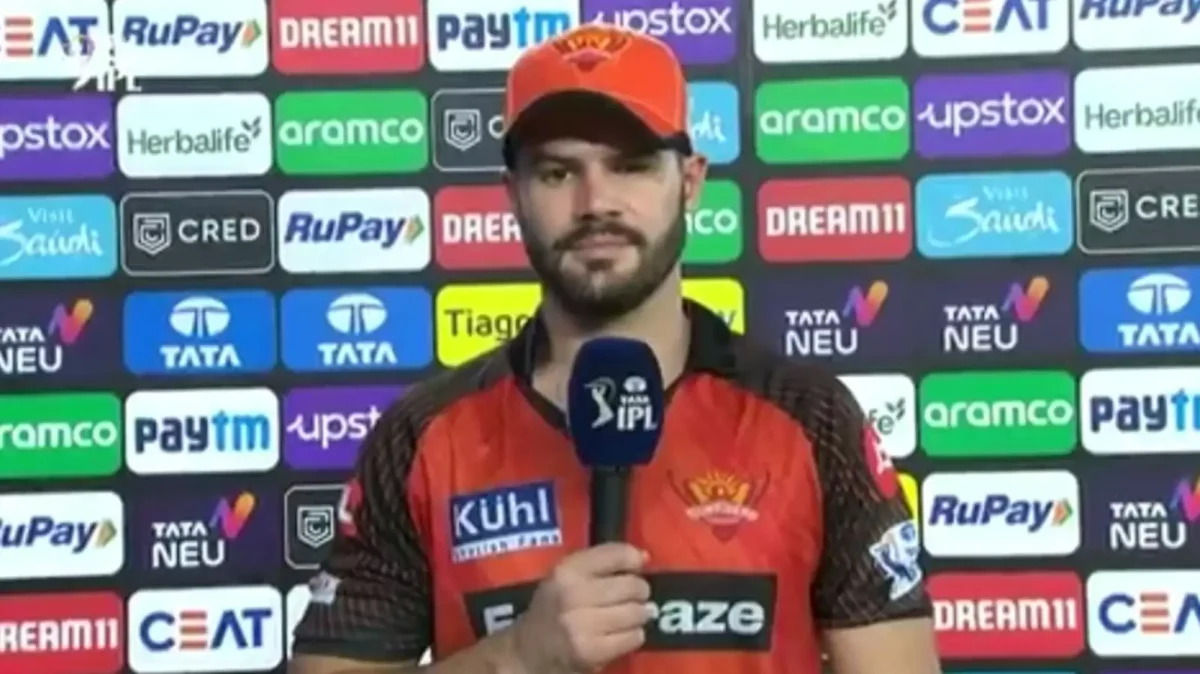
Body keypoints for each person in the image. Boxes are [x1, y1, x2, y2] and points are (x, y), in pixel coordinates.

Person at [289, 22, 940, 674]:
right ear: (512, 195)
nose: (596, 202)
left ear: (690, 181)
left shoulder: (812, 418)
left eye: (631, 166)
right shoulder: (422, 437)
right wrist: (518, 655)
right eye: (557, 172)